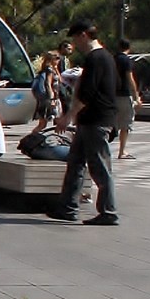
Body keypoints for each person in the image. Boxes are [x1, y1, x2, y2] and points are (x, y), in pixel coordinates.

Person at [52, 20, 119, 226]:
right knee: (75, 163)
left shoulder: (96, 58)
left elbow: (87, 93)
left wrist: (68, 117)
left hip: (96, 120)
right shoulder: (106, 57)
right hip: (90, 120)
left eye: (75, 38)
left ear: (83, 35)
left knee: (99, 166)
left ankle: (108, 211)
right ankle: (68, 207)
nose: (74, 44)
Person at [113, 39, 140, 159]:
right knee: (125, 124)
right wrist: (136, 96)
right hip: (124, 94)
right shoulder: (126, 60)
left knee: (109, 123)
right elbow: (130, 78)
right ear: (129, 48)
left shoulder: (112, 59)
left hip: (111, 95)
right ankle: (122, 151)